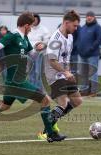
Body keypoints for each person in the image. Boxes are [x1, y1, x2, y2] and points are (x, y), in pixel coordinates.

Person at [0, 12, 66, 143]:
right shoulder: (12, 36)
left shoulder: (24, 38)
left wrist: (38, 49)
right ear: (25, 25)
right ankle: (50, 133)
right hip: (16, 82)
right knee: (45, 100)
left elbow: (31, 55)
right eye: (30, 26)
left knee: (4, 106)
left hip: (14, 81)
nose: (31, 28)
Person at [38, 10, 83, 140]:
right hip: (54, 74)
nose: (76, 28)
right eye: (74, 25)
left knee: (77, 101)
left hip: (64, 73)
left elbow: (66, 58)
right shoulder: (55, 39)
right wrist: (65, 72)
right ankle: (47, 132)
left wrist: (68, 72)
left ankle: (50, 126)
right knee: (63, 103)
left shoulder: (70, 37)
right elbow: (52, 61)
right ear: (66, 23)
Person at [77, 11, 101, 97]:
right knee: (83, 73)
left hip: (93, 54)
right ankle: (84, 90)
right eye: (87, 16)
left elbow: (99, 40)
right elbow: (79, 40)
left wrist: (91, 48)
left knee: (93, 72)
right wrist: (79, 48)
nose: (89, 17)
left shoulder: (97, 27)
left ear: (94, 17)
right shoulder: (83, 27)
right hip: (82, 54)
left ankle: (93, 91)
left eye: (91, 16)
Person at [28, 13, 50, 90]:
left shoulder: (43, 29)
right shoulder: (28, 28)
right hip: (29, 54)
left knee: (38, 72)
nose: (34, 21)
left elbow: (47, 40)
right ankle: (32, 89)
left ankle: (40, 89)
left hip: (39, 54)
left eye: (35, 19)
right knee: (30, 72)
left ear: (38, 20)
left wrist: (43, 44)